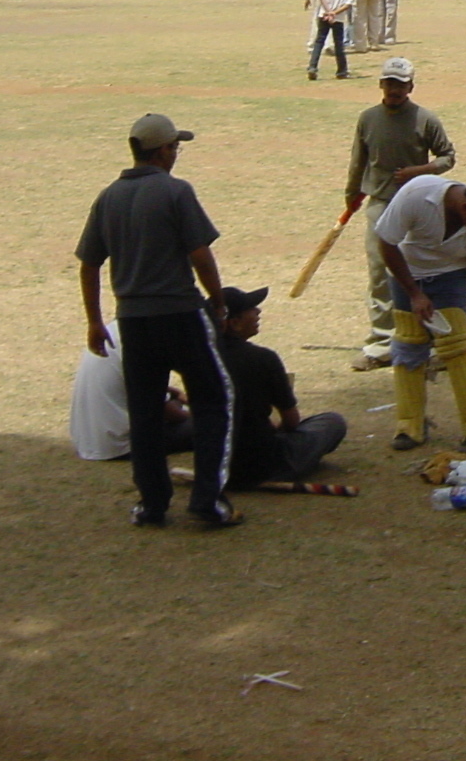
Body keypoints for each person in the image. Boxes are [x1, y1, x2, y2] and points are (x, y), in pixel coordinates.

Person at [75, 113, 238, 528]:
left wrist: (95, 321)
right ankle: (208, 500)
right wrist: (218, 301)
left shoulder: (108, 197)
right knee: (216, 399)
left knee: (144, 414)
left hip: (132, 319)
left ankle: (151, 504)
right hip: (180, 313)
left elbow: (89, 263)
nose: (177, 154)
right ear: (162, 150)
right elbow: (200, 254)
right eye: (175, 147)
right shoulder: (175, 191)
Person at [376, 173, 466, 451]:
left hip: (451, 275)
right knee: (409, 344)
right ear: (465, 208)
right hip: (406, 271)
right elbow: (386, 243)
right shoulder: (417, 194)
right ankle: (409, 424)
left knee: (462, 348)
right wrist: (414, 293)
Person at [345, 56, 456, 370]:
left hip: (417, 206)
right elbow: (358, 160)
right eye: (390, 83)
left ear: (411, 86)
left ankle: (434, 341)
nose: (395, 89)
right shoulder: (367, 119)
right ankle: (382, 342)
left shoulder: (425, 119)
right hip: (379, 204)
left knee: (423, 273)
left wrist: (419, 171)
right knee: (380, 273)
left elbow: (447, 157)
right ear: (381, 84)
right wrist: (352, 194)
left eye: (401, 84)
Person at [218, 286, 347, 489]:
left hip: (217, 463)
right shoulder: (263, 358)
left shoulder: (199, 359)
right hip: (265, 464)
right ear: (234, 323)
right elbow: (291, 420)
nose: (258, 312)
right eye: (252, 309)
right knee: (332, 422)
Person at [70, 326, 194, 462]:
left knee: (178, 405)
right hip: (121, 444)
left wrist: (172, 393)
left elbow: (125, 381)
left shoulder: (114, 330)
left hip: (89, 439)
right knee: (212, 424)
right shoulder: (146, 340)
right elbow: (163, 410)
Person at [308, 0, 357, 80]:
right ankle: (341, 71)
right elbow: (348, 4)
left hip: (324, 15)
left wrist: (328, 11)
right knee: (339, 45)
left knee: (319, 42)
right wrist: (334, 13)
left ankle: (312, 67)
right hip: (338, 18)